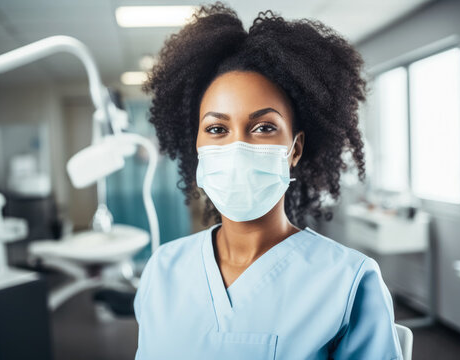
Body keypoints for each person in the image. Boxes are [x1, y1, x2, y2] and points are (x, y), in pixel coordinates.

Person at [134, 3, 402, 359]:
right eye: (217, 129)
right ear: (195, 144)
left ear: (294, 148)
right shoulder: (162, 271)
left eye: (263, 128)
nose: (237, 146)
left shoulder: (348, 281)